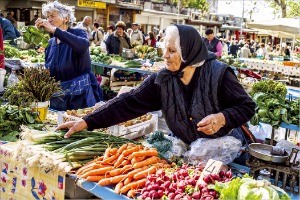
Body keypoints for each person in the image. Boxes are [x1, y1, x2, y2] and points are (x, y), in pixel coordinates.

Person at [57, 25, 256, 165]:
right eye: (164, 49)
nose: (164, 55)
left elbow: (246, 106)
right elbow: (129, 102)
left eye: (172, 51)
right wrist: (87, 121)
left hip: (225, 154)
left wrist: (222, 118)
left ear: (189, 52)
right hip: (190, 152)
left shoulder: (219, 74)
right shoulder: (163, 80)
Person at [35, 1, 103, 111]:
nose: (49, 20)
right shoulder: (51, 43)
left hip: (81, 96)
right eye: (47, 17)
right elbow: (49, 68)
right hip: (59, 97)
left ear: (66, 18)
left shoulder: (78, 33)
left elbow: (82, 46)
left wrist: (54, 30)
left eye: (52, 16)